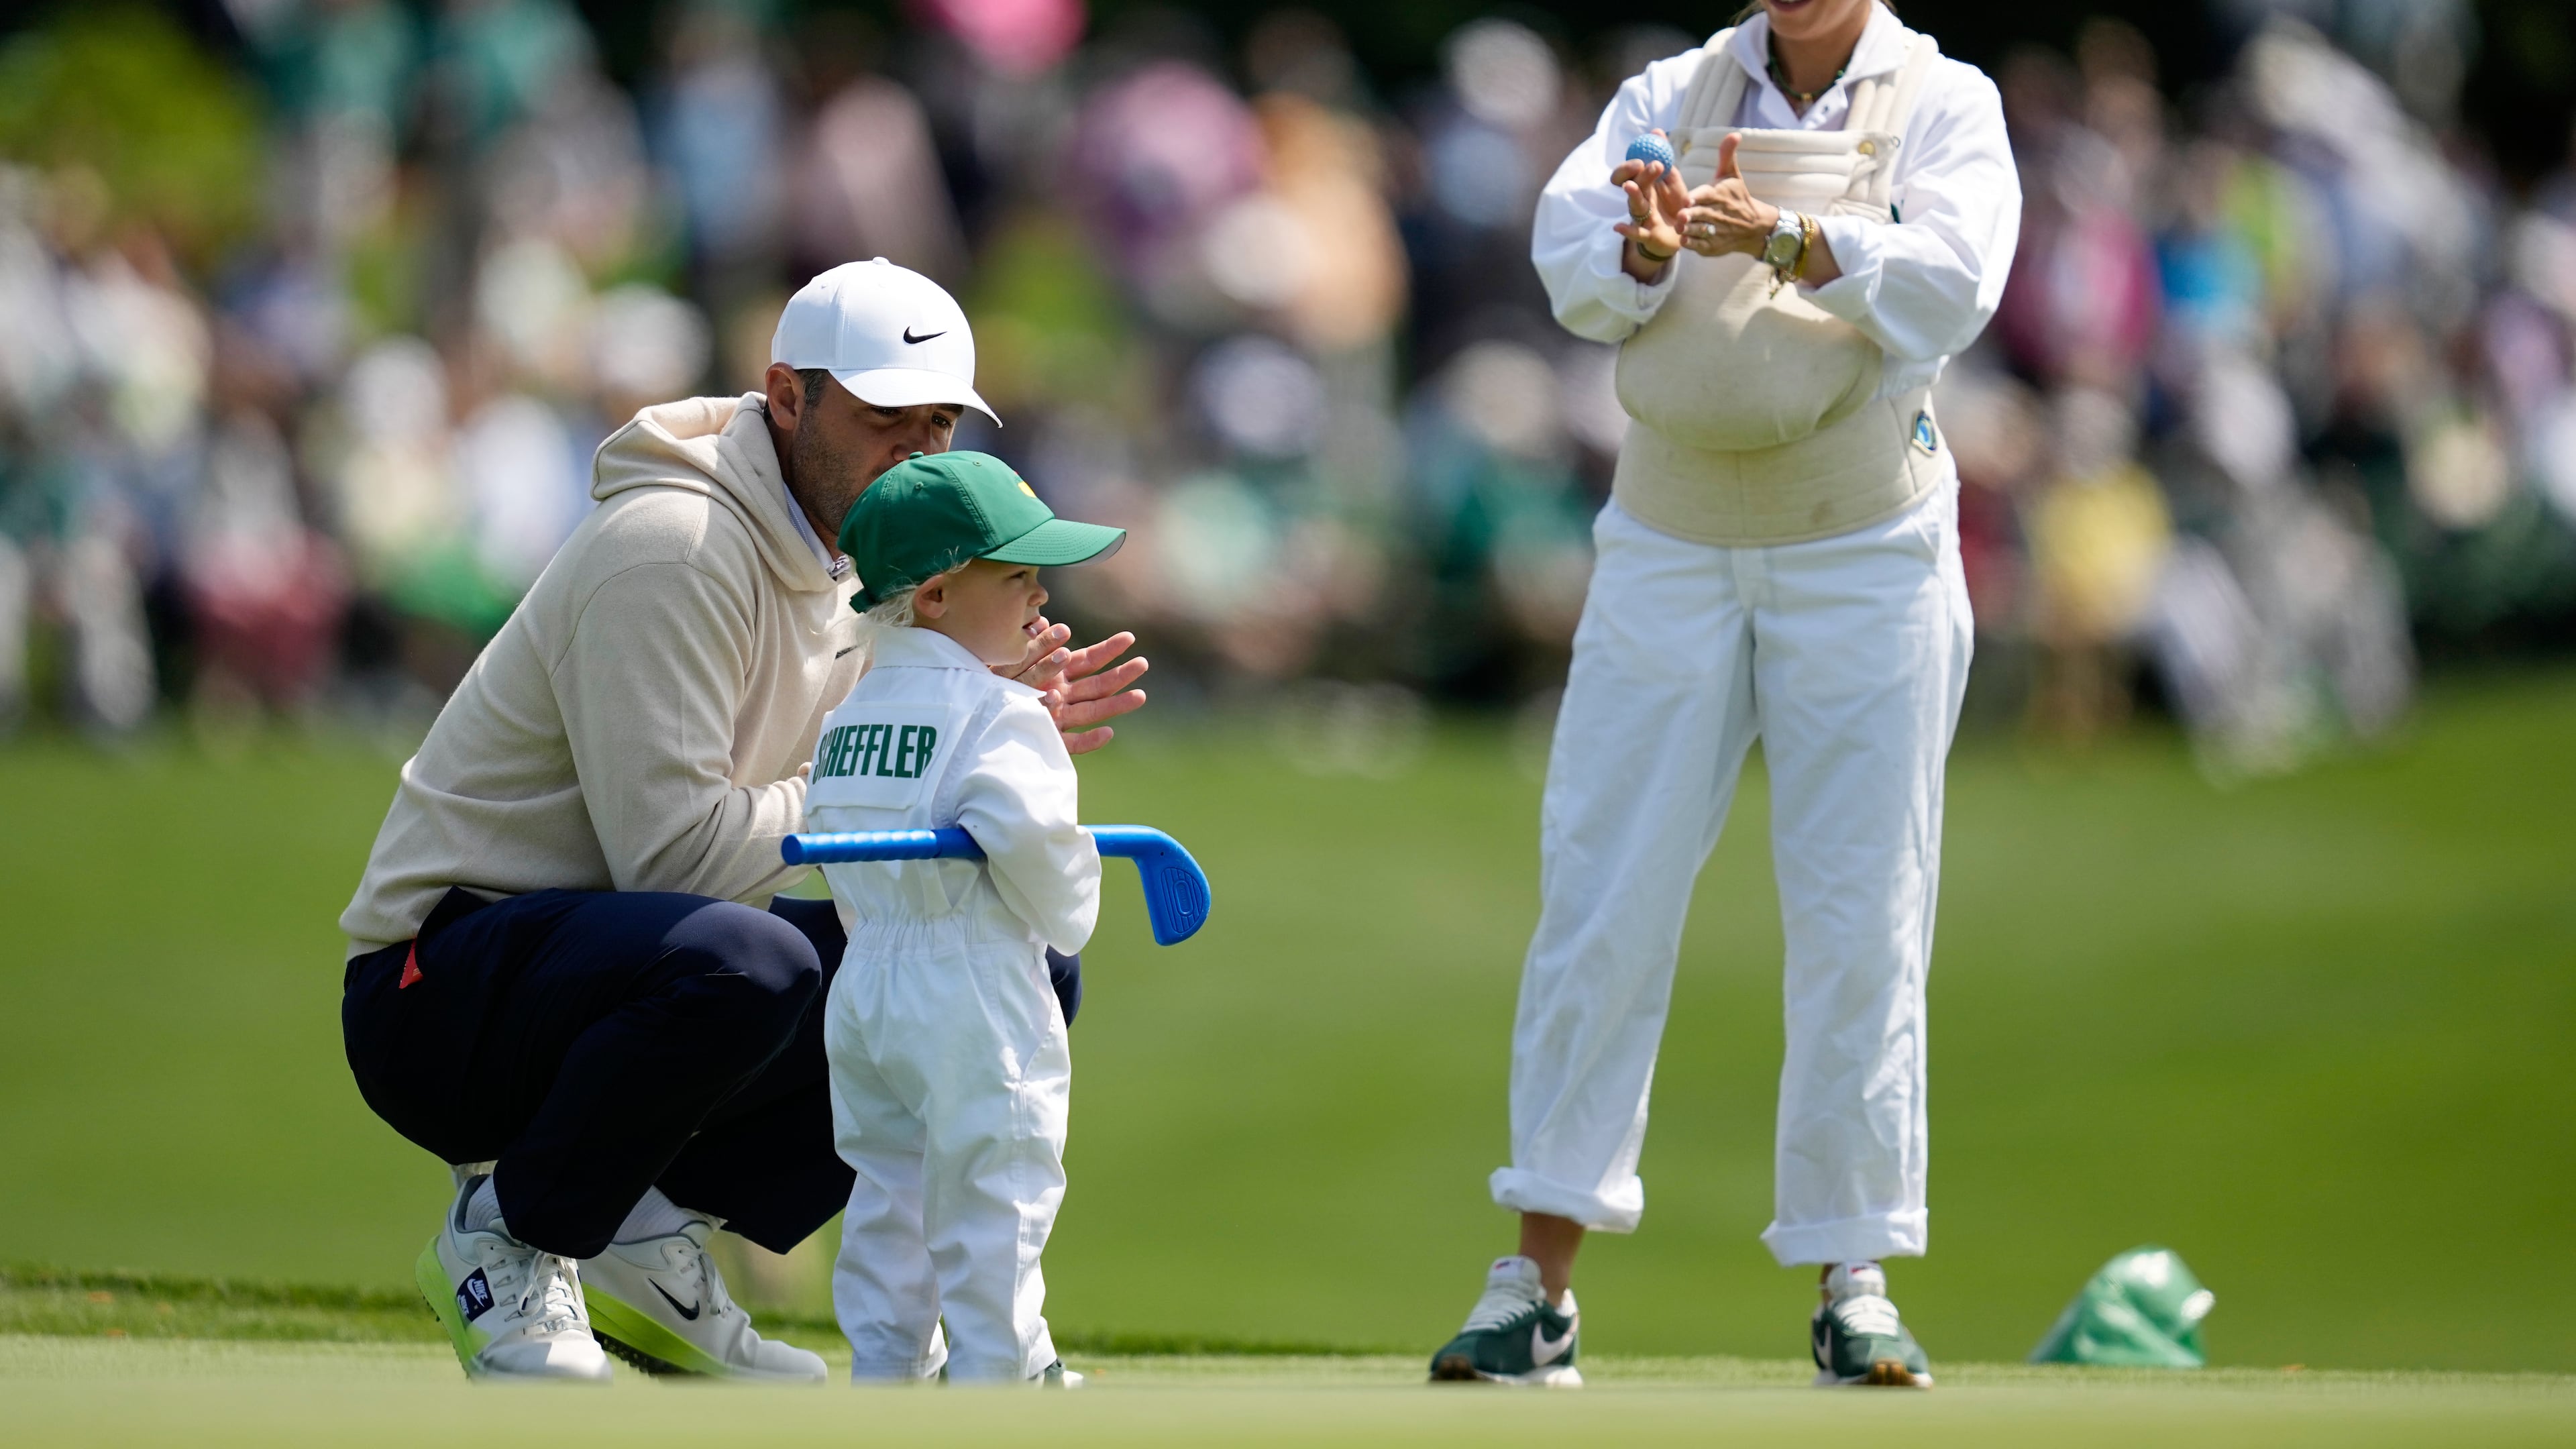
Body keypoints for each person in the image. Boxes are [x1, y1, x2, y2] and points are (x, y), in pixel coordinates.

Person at [339, 260, 1148, 1381]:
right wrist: (909, 771)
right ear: (788, 398)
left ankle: (638, 1236)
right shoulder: (672, 545)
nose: (914, 453)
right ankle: (513, 1235)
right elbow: (674, 854)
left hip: (618, 969)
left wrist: (974, 731)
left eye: (939, 424)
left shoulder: (874, 563)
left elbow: (830, 805)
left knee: (1000, 963)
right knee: (752, 960)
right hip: (442, 992)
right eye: (883, 421)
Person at [1428, 0, 2018, 1389]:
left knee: (1860, 907)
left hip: (1865, 537)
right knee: (1600, 892)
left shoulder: (1941, 100)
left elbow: (1954, 285)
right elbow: (1572, 259)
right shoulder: (1669, 89)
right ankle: (1538, 1285)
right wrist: (1639, 252)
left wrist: (1790, 239)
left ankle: (1853, 1276)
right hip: (1669, 536)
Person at [808, 451, 1124, 1385]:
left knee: (890, 1194)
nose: (1039, 594)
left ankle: (887, 1372)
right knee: (1000, 1187)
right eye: (1017, 574)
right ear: (939, 597)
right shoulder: (999, 713)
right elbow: (1043, 860)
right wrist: (1074, 911)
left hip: (866, 989)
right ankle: (1004, 1374)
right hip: (972, 981)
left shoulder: (849, 717)